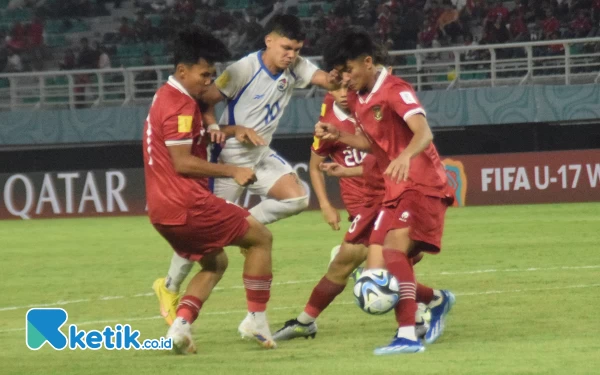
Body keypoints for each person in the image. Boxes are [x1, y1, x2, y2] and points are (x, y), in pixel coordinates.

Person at [152, 14, 341, 330]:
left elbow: (324, 79)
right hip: (228, 156)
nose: (291, 54)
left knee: (296, 198)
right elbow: (207, 99)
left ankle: (245, 230)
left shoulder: (295, 66)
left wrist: (341, 78)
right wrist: (219, 127)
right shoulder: (243, 69)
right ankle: (169, 286)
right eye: (286, 47)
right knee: (202, 238)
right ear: (269, 40)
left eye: (296, 49)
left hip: (260, 153)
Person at [315, 29, 455, 355]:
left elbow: (424, 133)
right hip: (395, 188)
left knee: (392, 252)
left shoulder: (394, 90)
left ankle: (407, 335)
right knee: (382, 267)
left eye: (349, 70)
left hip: (422, 182)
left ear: (368, 62)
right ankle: (434, 301)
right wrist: (339, 133)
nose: (345, 78)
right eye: (341, 72)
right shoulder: (357, 98)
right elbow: (372, 143)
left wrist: (406, 156)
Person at [273, 82, 444, 342]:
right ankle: (306, 322)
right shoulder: (329, 118)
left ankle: (415, 321)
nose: (344, 92)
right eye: (337, 87)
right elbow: (318, 164)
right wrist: (327, 204)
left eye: (347, 85)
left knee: (386, 263)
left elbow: (383, 153)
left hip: (392, 196)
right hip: (364, 205)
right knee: (354, 263)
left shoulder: (379, 105)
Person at [143, 27, 277, 354]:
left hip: (162, 213)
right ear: (182, 71)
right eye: (205, 75)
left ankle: (180, 328)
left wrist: (224, 130)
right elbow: (182, 163)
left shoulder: (165, 96)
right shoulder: (179, 106)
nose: (209, 82)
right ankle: (255, 320)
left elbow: (187, 144)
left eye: (213, 75)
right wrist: (232, 169)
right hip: (188, 205)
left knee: (215, 263)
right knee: (261, 239)